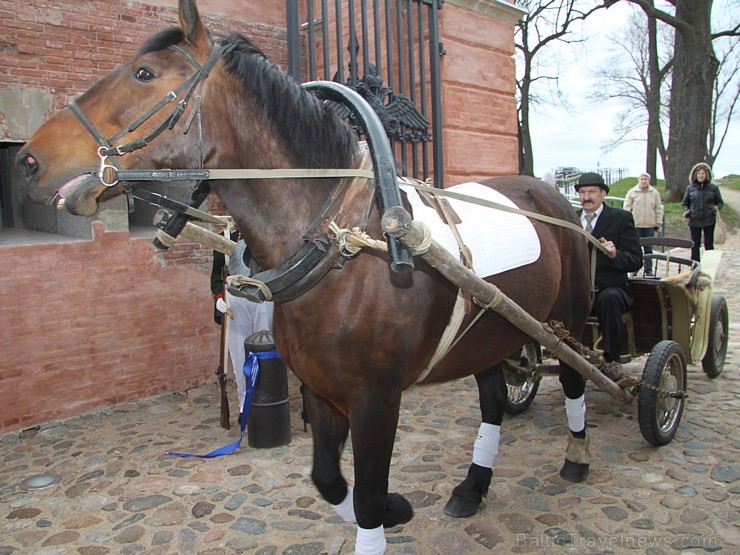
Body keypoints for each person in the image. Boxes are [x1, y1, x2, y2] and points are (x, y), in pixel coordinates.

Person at [576, 172, 643, 373]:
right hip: (580, 289)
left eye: (592, 192)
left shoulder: (621, 219)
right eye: (582, 192)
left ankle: (611, 360)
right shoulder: (570, 218)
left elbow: (635, 260)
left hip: (611, 287)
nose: (586, 197)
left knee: (609, 298)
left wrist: (615, 255)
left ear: (603, 193)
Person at [211, 242, 274, 424]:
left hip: (262, 292)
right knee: (239, 353)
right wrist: (219, 297)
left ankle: (267, 402)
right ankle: (244, 405)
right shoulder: (224, 237)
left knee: (266, 350)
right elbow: (217, 275)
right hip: (235, 295)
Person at [623, 172, 664, 276]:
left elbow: (658, 208)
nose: (644, 181)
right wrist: (627, 223)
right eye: (642, 179)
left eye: (645, 179)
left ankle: (648, 269)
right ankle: (635, 268)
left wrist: (658, 222)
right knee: (636, 248)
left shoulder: (654, 193)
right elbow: (627, 209)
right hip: (636, 225)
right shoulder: (632, 192)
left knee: (649, 249)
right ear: (639, 180)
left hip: (649, 225)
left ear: (648, 180)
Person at [682, 162, 724, 262]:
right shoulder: (690, 188)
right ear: (695, 175)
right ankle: (695, 265)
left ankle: (709, 265)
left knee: (709, 244)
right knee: (695, 244)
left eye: (703, 173)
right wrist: (687, 211)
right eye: (699, 173)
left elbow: (720, 203)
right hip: (694, 219)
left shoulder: (713, 188)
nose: (701, 175)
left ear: (707, 175)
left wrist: (715, 208)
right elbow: (685, 203)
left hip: (709, 220)